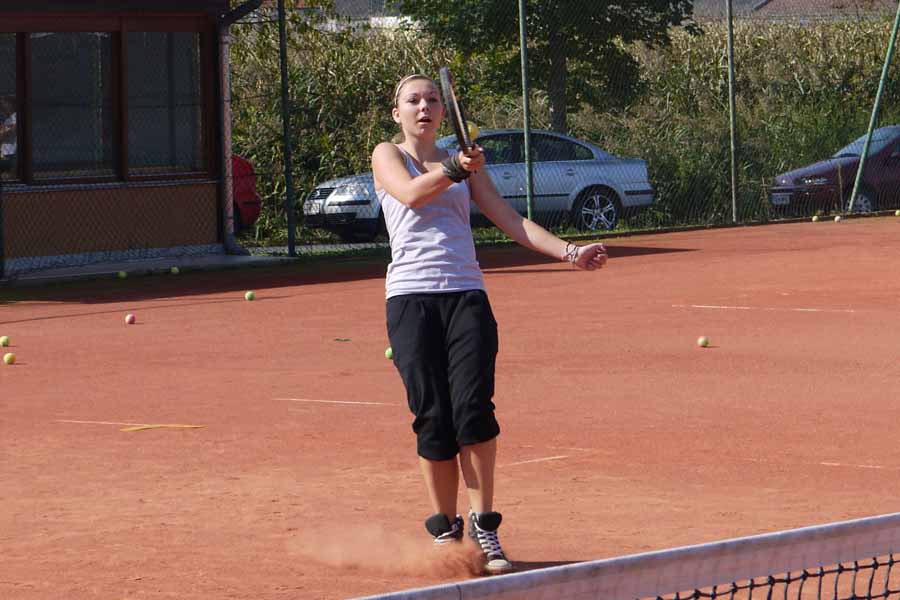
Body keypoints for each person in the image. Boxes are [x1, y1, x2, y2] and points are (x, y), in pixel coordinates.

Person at [371, 74, 607, 575]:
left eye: (432, 99)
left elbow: (509, 218)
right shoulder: (388, 155)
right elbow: (411, 195)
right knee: (433, 417)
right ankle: (444, 529)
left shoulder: (465, 162)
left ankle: (484, 526)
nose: (424, 107)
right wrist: (456, 167)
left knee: (473, 411)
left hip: (466, 297)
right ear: (398, 113)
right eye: (413, 100)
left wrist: (570, 251)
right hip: (410, 301)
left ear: (444, 110)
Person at [0, 95, 16, 178]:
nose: (2, 107)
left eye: (3, 104)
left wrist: (3, 132)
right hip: (5, 151)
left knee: (9, 176)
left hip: (10, 152)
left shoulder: (15, 116)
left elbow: (12, 130)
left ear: (11, 104)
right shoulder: (7, 119)